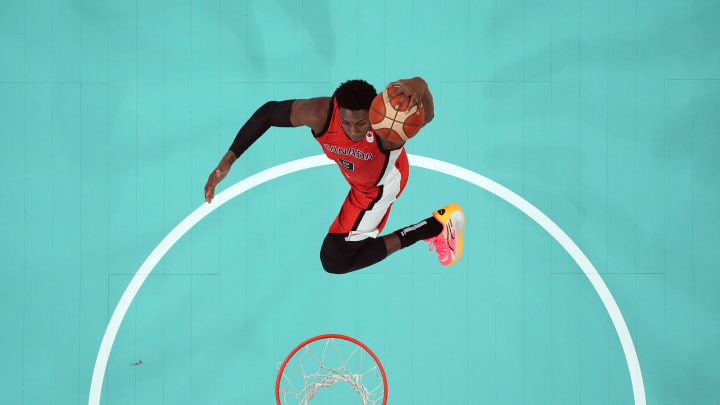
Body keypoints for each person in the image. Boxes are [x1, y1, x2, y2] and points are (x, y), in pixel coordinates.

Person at [204, 77, 465, 273]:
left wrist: (419, 84)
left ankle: (439, 225)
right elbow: (268, 113)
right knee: (338, 254)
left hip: (380, 186)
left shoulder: (386, 131)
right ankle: (436, 226)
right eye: (346, 122)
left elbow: (427, 115)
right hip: (357, 184)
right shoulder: (321, 114)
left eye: (361, 123)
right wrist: (229, 159)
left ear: (373, 116)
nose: (353, 130)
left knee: (335, 258)